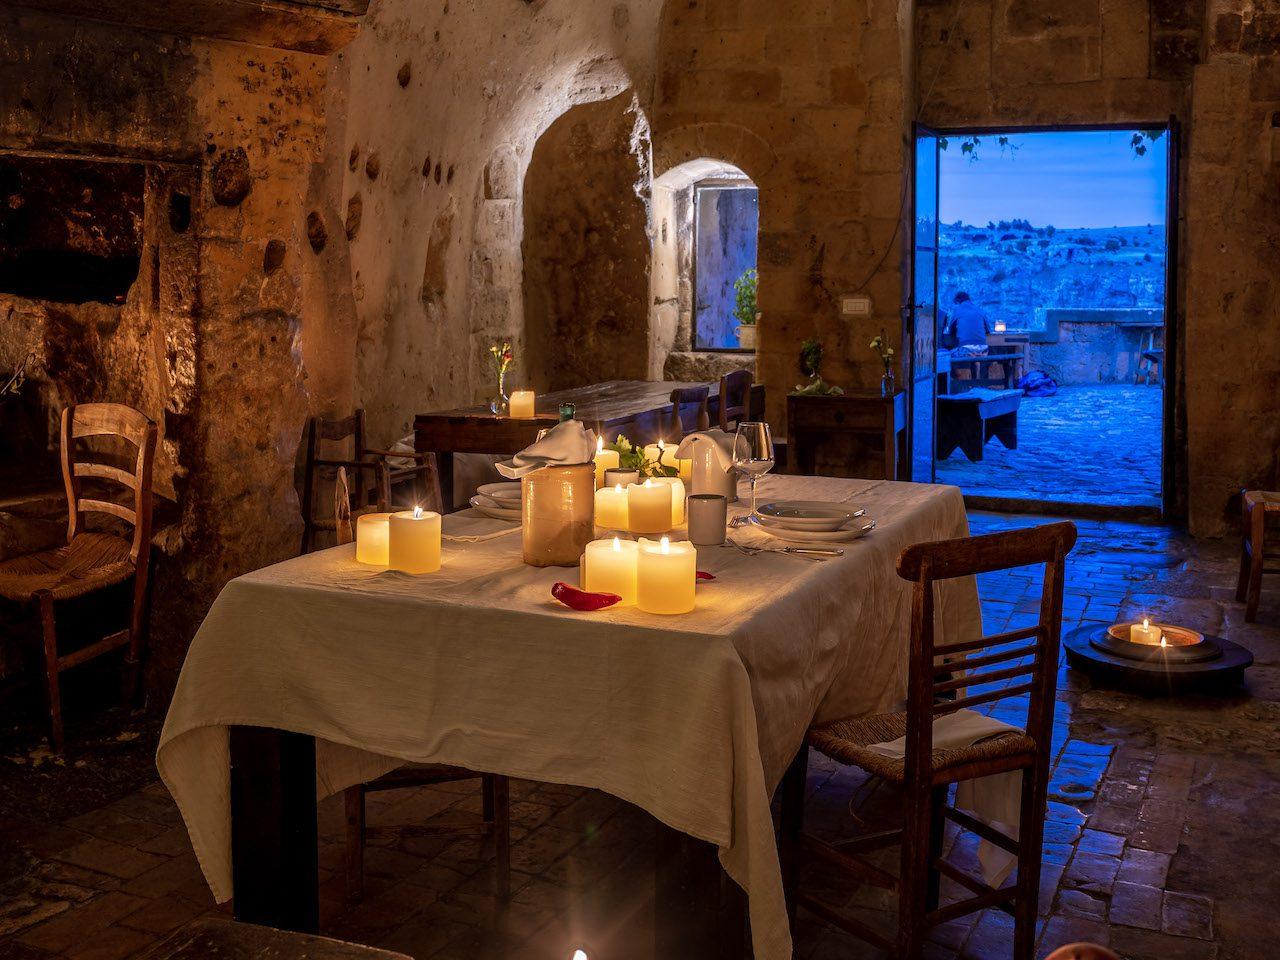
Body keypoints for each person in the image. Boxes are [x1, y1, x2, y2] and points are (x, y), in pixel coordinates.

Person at [950, 291, 990, 357]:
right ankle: (976, 366)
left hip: (966, 349)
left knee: (948, 355)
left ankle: (964, 367)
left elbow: (950, 330)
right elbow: (988, 330)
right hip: (983, 350)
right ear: (969, 299)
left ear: (958, 301)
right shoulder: (980, 310)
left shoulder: (957, 310)